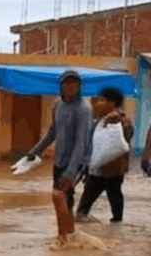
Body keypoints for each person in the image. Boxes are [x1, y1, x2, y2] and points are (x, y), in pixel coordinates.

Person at [24, 70, 93, 243]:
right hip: (60, 160)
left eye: (74, 83)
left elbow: (81, 143)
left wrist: (71, 172)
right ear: (61, 86)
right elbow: (52, 132)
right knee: (65, 201)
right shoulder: (58, 105)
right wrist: (35, 151)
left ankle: (64, 238)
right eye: (67, 83)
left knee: (58, 195)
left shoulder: (84, 110)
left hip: (77, 162)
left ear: (79, 86)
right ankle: (67, 236)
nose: (70, 86)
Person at [76, 87, 133, 223]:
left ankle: (115, 226)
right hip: (101, 168)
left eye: (101, 100)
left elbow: (125, 138)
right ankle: (115, 226)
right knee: (112, 197)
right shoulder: (102, 120)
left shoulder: (120, 120)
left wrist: (114, 121)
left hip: (112, 169)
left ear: (111, 103)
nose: (97, 103)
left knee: (112, 198)